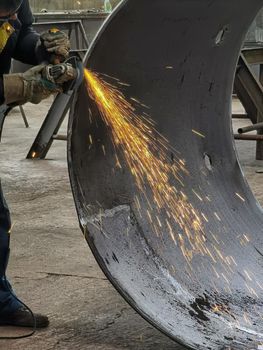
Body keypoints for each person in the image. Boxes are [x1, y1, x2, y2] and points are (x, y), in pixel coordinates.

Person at [0, 0, 73, 328]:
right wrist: (17, 86)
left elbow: (21, 31)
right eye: (5, 10)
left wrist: (43, 50)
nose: (14, 15)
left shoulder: (13, 8)